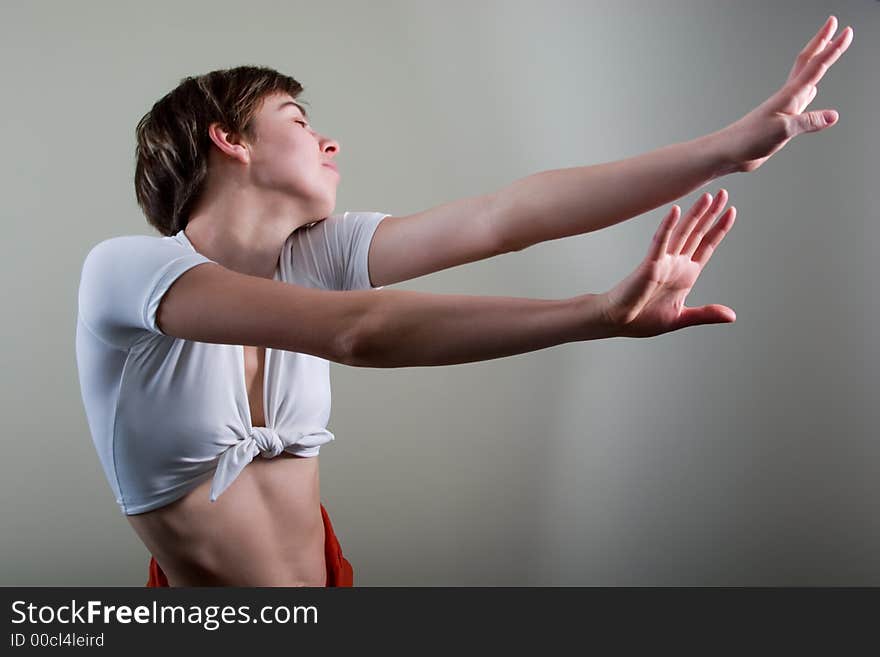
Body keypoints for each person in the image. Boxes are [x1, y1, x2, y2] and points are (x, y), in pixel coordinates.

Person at [75, 17, 851, 586]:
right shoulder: (125, 273)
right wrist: (598, 315)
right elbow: (359, 332)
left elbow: (505, 217)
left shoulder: (316, 255)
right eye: (300, 121)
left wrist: (724, 150)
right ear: (229, 140)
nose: (329, 142)